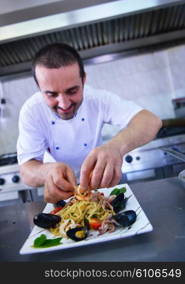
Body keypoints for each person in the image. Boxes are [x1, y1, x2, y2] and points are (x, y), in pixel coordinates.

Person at [17, 43, 162, 203]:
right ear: (39, 88)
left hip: (100, 188)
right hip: (60, 195)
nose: (64, 104)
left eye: (72, 91)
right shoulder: (32, 111)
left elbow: (150, 121)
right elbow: (26, 171)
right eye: (52, 94)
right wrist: (47, 172)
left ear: (83, 80)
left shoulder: (97, 99)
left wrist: (115, 147)